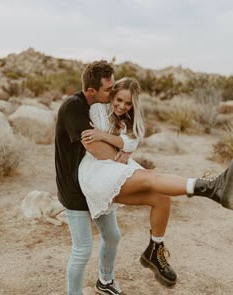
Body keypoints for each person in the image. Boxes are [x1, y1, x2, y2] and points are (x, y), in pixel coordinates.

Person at [79, 77, 233, 287]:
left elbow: (130, 143)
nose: (122, 106)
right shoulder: (98, 111)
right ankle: (209, 187)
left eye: (128, 103)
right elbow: (93, 141)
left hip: (115, 171)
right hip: (96, 172)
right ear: (112, 95)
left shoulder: (126, 123)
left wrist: (110, 139)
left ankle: (154, 250)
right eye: (119, 100)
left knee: (161, 197)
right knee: (152, 177)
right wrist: (113, 143)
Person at [55, 61, 128, 295]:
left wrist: (124, 147)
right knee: (82, 249)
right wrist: (122, 154)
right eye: (108, 89)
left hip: (97, 183)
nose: (113, 93)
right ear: (91, 91)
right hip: (74, 187)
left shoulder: (102, 108)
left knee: (113, 236)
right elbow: (95, 147)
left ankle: (104, 282)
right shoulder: (73, 107)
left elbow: (122, 135)